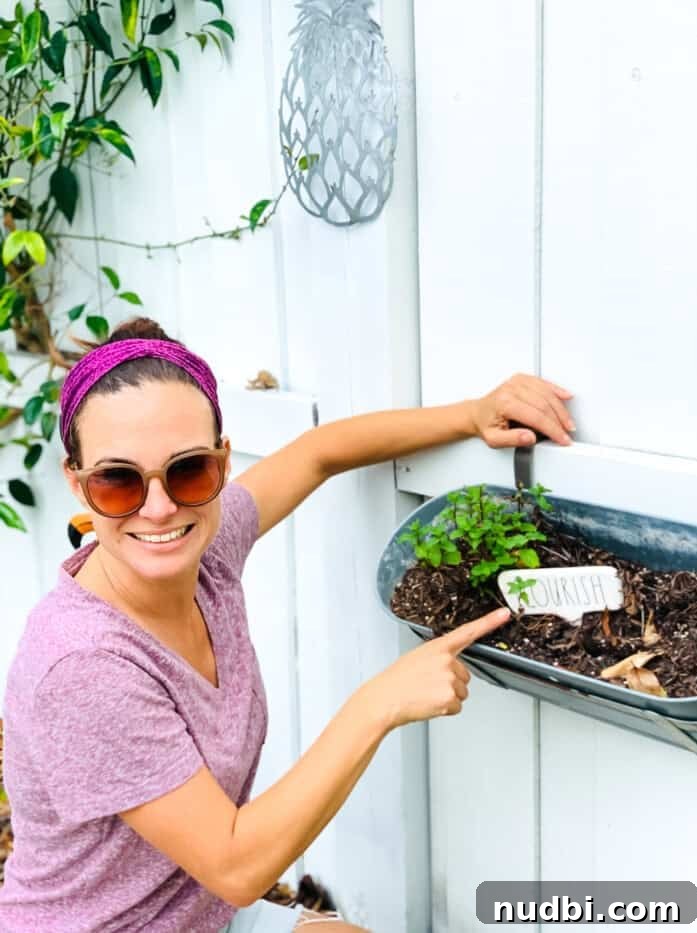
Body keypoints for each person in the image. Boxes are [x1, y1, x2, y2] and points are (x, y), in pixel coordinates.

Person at [0, 318, 574, 932]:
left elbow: (317, 453)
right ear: (77, 483)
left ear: (221, 461)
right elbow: (237, 866)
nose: (160, 507)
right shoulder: (86, 667)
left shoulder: (206, 547)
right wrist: (378, 703)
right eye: (118, 481)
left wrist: (473, 414)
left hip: (195, 913)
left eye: (189, 470)